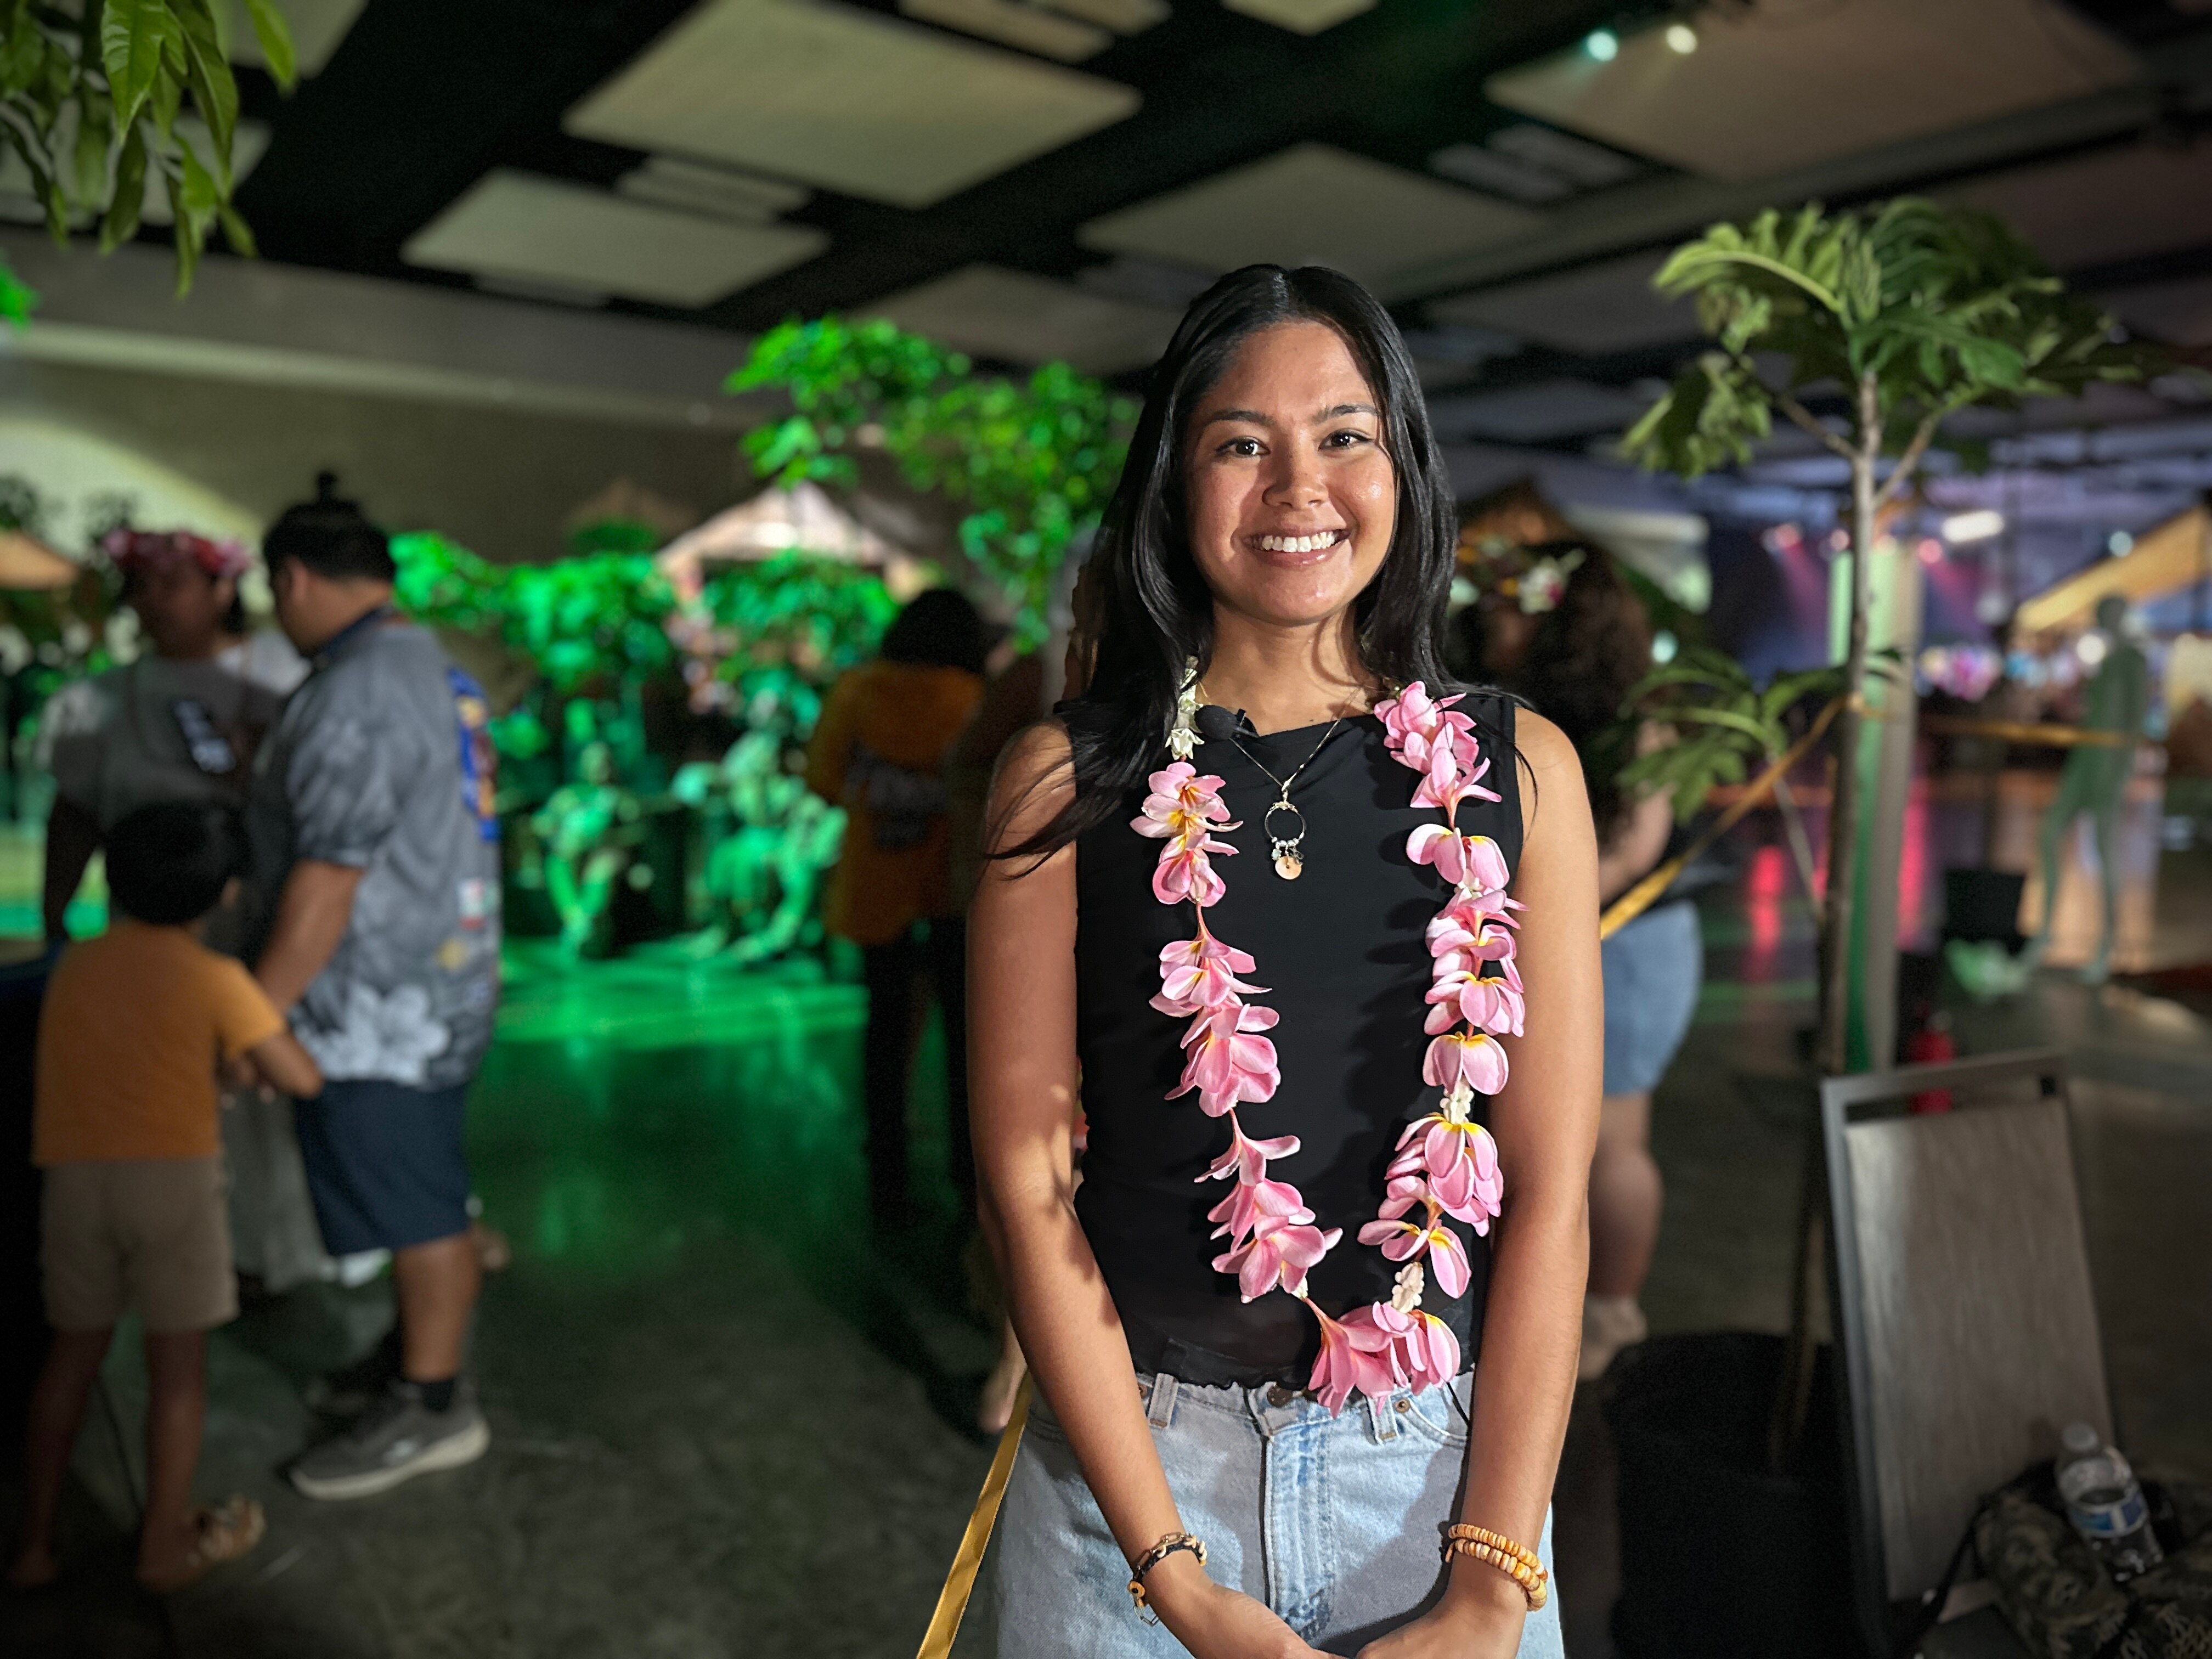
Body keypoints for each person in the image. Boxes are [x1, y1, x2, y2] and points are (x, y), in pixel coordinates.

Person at [970, 266, 1598, 1658]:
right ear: (1177, 485)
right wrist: (1173, 1578)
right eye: (1241, 443)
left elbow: (1549, 1193)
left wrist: (1493, 1579)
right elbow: (1026, 1182)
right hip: (1130, 1491)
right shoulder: (1065, 778)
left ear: (1402, 466)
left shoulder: (1522, 772)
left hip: (1440, 1484)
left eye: (1344, 435)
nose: (1297, 485)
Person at [241, 477, 503, 1499]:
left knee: (420, 1203)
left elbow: (327, 878)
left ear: (292, 577)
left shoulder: (354, 691)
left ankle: (435, 1403)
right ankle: (412, 1359)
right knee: (418, 1186)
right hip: (435, 987)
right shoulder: (430, 666)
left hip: (377, 1006)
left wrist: (250, 1011)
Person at [9, 801, 321, 1593]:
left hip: (77, 1182)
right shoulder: (214, 978)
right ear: (224, 894)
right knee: (177, 1370)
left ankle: (35, 1544)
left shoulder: (75, 966)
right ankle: (161, 1546)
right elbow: (299, 1075)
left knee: (69, 1358)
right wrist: (242, 1058)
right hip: (175, 1184)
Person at [36, 527, 326, 1297]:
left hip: (260, 914)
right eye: (142, 586)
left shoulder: (280, 674)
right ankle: (188, 1243)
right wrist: (56, 911)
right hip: (153, 930)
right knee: (174, 1079)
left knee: (261, 1078)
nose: (153, 602)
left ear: (222, 589)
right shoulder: (102, 699)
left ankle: (288, 1250)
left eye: (174, 584)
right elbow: (75, 813)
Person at [1453, 545, 1692, 1382]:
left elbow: (1638, 843)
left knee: (1613, 1141)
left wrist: (1536, 915)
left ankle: (1613, 1316)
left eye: (1516, 602)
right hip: (1555, 931)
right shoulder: (1501, 701)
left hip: (1624, 937)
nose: (1494, 615)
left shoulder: (1628, 712)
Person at [805, 589, 986, 1226]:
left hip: (876, 888)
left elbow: (822, 777)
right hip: (953, 892)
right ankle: (971, 1181)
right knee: (967, 1042)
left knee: (884, 1033)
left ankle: (888, 1180)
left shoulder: (857, 691)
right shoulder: (971, 698)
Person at [2023, 594, 2149, 983]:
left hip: (2108, 764)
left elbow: (2135, 720)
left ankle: (2105, 944)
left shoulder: (2132, 662)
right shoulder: (2109, 661)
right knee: (2049, 836)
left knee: (2105, 851)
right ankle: (2045, 932)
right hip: (2085, 759)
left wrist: (2122, 772)